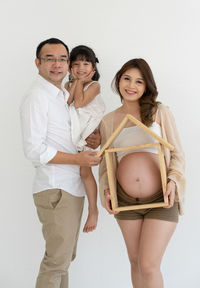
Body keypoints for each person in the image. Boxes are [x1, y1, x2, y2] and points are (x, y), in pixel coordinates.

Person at [20, 38, 101, 288]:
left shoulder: (62, 95)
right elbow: (34, 150)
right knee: (56, 262)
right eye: (49, 59)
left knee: (64, 259)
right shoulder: (37, 97)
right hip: (55, 187)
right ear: (38, 63)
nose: (57, 64)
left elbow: (72, 133)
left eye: (62, 59)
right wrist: (78, 158)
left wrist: (92, 138)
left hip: (72, 186)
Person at [99, 58, 185, 288]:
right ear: (118, 80)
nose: (131, 85)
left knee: (148, 265)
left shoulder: (159, 112)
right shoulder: (108, 121)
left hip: (160, 198)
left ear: (146, 86)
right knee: (135, 261)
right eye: (127, 78)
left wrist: (173, 181)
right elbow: (105, 164)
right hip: (125, 200)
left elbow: (177, 153)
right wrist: (106, 191)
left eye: (139, 81)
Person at [65, 45, 105, 232]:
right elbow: (67, 104)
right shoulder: (67, 85)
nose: (81, 67)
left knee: (85, 173)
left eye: (86, 63)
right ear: (70, 68)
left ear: (93, 69)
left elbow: (79, 103)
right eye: (76, 64)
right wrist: (74, 83)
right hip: (74, 130)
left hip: (87, 129)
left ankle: (93, 210)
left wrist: (79, 83)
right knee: (76, 172)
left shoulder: (94, 85)